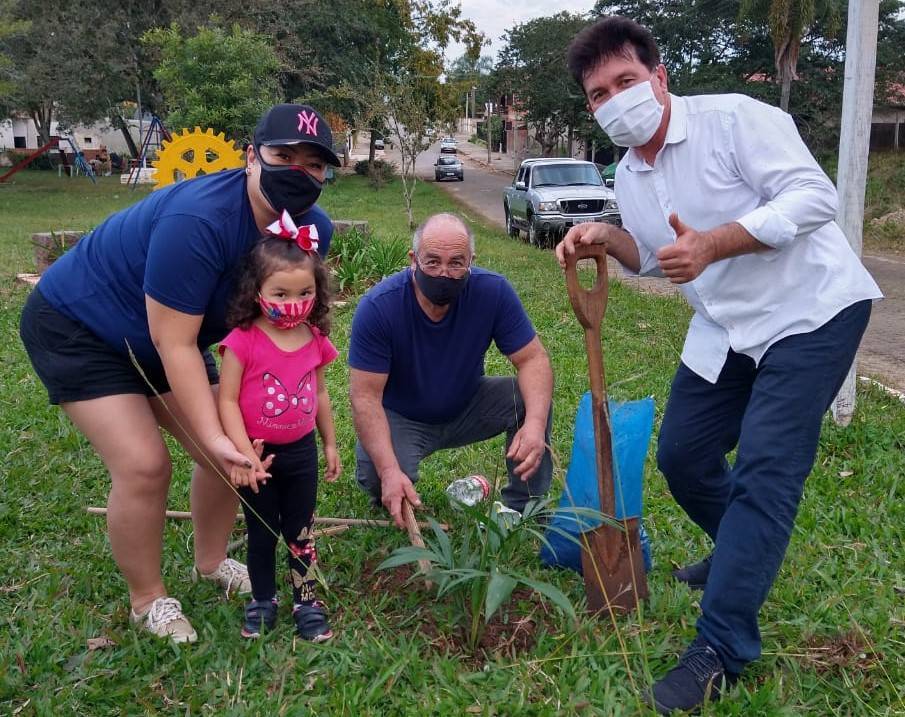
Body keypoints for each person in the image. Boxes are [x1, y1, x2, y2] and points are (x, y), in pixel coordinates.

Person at [558, 16, 882, 714]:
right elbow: (653, 255)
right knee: (683, 455)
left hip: (809, 312)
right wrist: (602, 236)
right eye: (598, 93)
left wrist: (713, 244)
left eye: (624, 80)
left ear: (658, 77)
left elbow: (814, 198)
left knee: (767, 467)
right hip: (726, 326)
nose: (614, 99)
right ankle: (738, 551)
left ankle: (720, 645)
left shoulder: (734, 120)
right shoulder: (629, 171)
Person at [19, 104, 341, 643]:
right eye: (283, 156)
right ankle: (147, 600)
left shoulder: (311, 232)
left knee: (238, 451)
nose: (297, 172)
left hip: (171, 335)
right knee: (146, 465)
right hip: (80, 326)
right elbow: (174, 343)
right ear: (250, 157)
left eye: (313, 164)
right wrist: (215, 436)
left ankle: (211, 563)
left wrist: (234, 431)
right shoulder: (199, 219)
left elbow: (261, 329)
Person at [349, 212, 554, 529]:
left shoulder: (493, 292)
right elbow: (364, 397)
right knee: (379, 480)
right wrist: (389, 470)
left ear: (471, 261)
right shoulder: (378, 307)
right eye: (432, 262)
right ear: (413, 260)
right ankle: (390, 476)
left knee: (529, 399)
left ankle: (525, 504)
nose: (443, 273)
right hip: (402, 417)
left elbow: (533, 360)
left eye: (456, 263)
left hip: (468, 404)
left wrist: (536, 426)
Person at [218, 220, 340, 642]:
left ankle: (306, 602)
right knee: (262, 531)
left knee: (301, 532)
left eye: (305, 293)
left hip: (302, 453)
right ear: (256, 292)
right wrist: (243, 453)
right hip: (258, 455)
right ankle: (263, 600)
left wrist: (329, 442)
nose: (294, 303)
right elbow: (227, 401)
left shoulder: (314, 337)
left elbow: (320, 393)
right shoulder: (242, 341)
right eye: (281, 294)